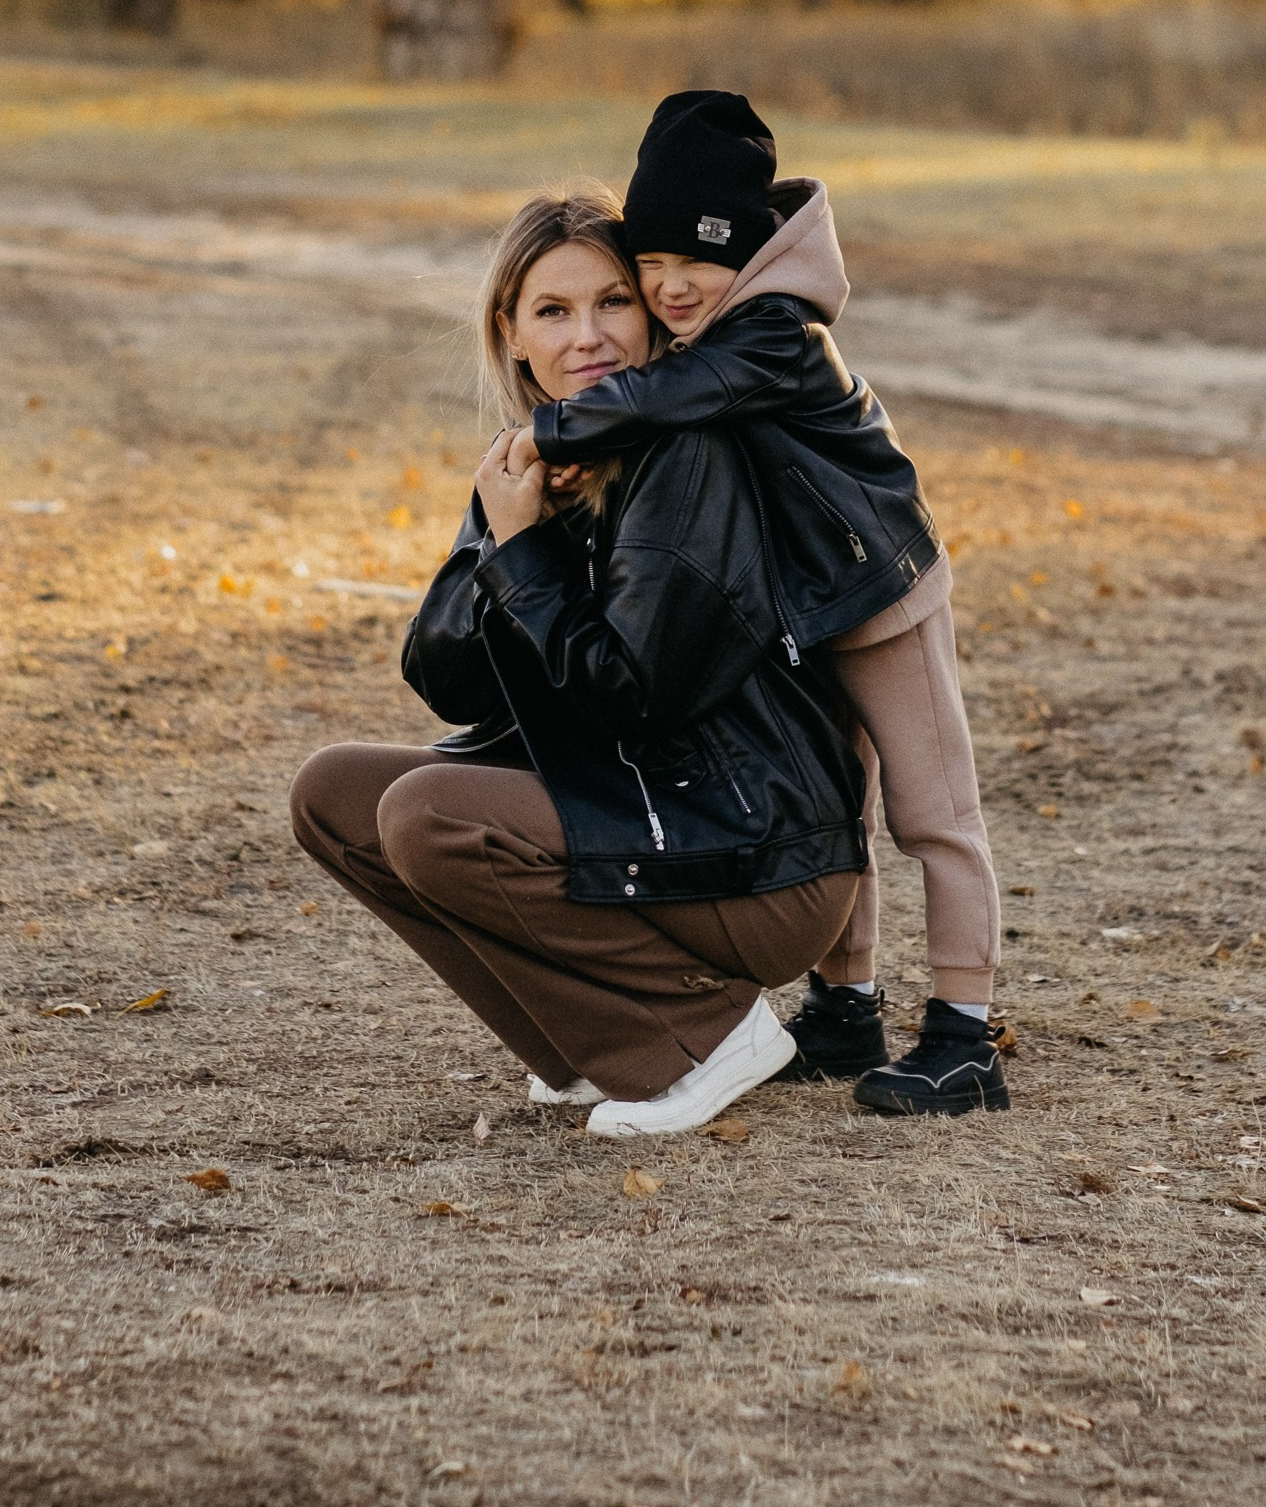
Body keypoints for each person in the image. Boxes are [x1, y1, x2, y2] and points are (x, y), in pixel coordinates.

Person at [288, 189, 868, 1138]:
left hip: (760, 855)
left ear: (654, 315)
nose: (587, 337)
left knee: (429, 816)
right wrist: (515, 536)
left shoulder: (691, 453)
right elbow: (445, 678)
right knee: (334, 796)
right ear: (511, 334)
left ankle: (703, 1034)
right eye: (553, 312)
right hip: (647, 816)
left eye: (612, 303)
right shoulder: (535, 459)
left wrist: (522, 555)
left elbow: (631, 694)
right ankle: (585, 1049)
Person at [527, 90, 1009, 1119]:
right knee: (839, 804)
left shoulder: (780, 334)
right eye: (648, 266)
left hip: (875, 589)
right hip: (798, 605)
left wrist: (553, 431)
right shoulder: (710, 336)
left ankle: (965, 1036)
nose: (667, 287)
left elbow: (662, 398)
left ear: (745, 253)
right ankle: (844, 1008)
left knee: (934, 812)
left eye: (692, 262)